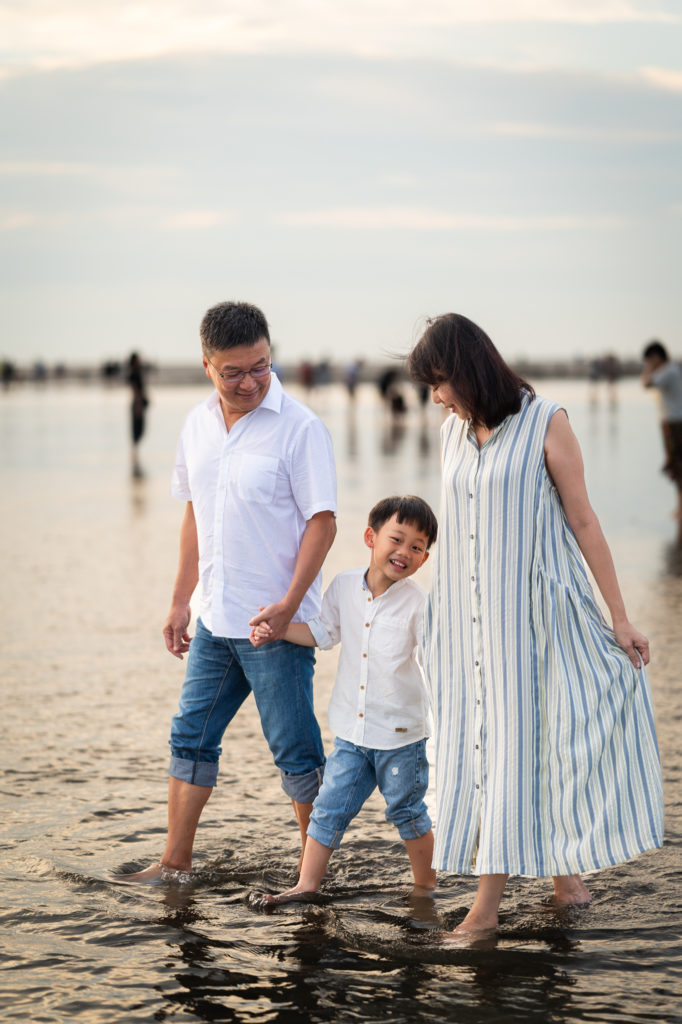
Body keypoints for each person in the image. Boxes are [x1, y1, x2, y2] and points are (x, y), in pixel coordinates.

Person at [407, 313, 664, 942]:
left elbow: (584, 521)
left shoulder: (546, 421)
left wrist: (620, 617)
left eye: (441, 381)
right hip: (470, 626)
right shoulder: (451, 432)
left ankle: (485, 912)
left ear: (467, 367)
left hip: (536, 621)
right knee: (490, 744)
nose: (436, 396)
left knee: (517, 745)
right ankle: (565, 881)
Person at [119, 301, 337, 883]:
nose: (249, 383)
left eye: (260, 367)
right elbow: (196, 516)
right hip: (215, 618)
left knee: (295, 752)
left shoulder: (301, 429)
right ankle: (173, 863)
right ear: (206, 366)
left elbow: (323, 522)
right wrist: (178, 599)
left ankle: (312, 879)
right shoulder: (196, 425)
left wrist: (291, 604)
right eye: (233, 372)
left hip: (275, 626)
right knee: (190, 736)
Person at [250, 495, 439, 904]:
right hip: (352, 735)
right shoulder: (343, 587)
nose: (405, 552)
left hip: (400, 739)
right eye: (397, 538)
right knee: (327, 808)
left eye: (418, 547)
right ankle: (306, 885)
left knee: (407, 813)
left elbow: (436, 666)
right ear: (371, 537)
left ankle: (426, 886)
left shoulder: (420, 605)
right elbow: (323, 633)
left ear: (424, 559)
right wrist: (280, 629)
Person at [642, 340, 682, 520]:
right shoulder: (671, 369)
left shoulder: (668, 371)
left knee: (677, 465)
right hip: (673, 422)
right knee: (676, 465)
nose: (649, 364)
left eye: (649, 360)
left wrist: (649, 369)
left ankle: (680, 509)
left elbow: (646, 383)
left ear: (657, 357)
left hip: (674, 423)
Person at [127, 352, 149, 476]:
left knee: (140, 430)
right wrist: (139, 406)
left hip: (138, 404)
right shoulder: (133, 374)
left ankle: (136, 452)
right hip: (137, 404)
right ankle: (135, 453)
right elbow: (135, 391)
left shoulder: (138, 373)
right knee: (137, 429)